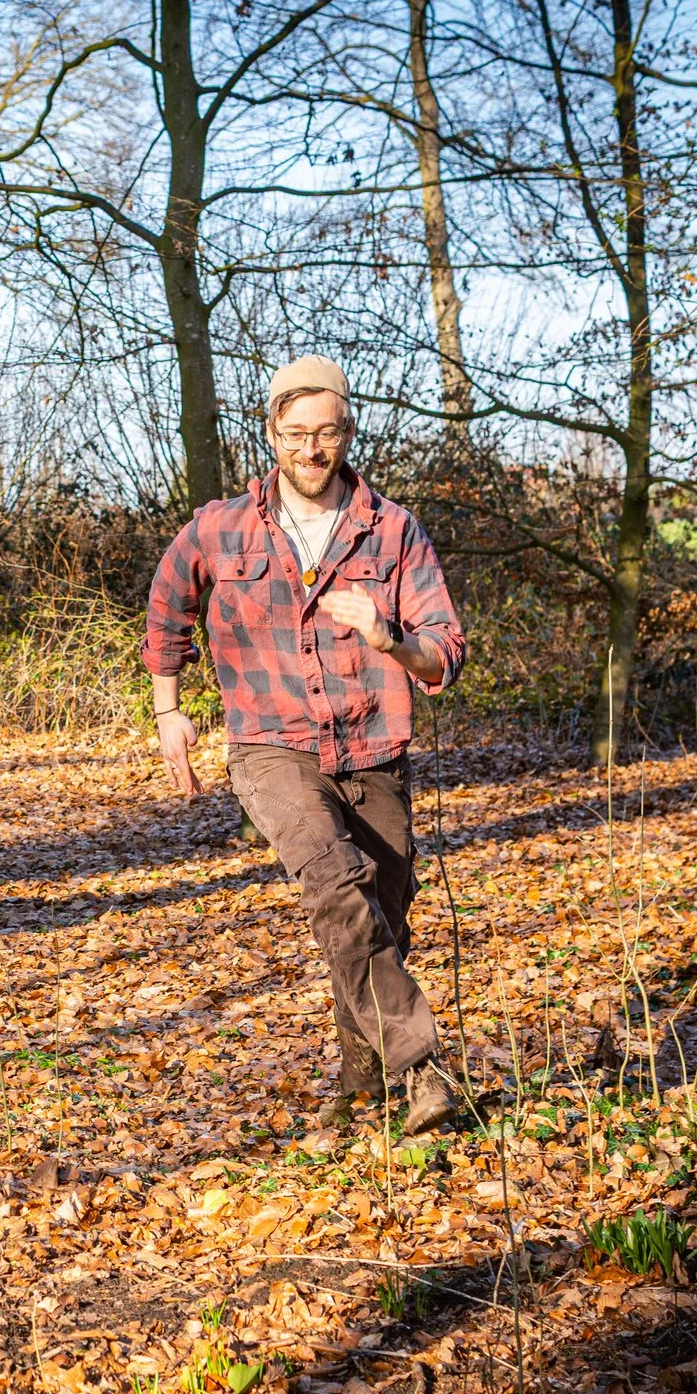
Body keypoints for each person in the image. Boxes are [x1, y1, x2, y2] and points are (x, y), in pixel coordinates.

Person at [143, 356, 470, 1132]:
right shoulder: (222, 526)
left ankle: (361, 1084)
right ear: (271, 435)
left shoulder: (392, 530)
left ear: (348, 432)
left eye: (326, 432)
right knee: (333, 882)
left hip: (373, 745)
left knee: (377, 912)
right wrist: (168, 709)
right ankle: (421, 1068)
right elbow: (167, 606)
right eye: (295, 434)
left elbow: (445, 651)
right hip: (269, 743)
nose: (311, 450)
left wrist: (389, 637)